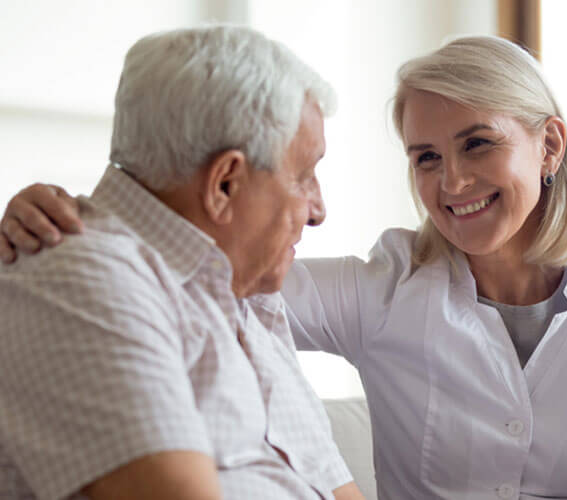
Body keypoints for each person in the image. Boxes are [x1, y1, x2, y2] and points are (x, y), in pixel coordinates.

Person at [1, 36, 567, 500]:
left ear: (548, 146)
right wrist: (64, 217)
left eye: (478, 144)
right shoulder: (356, 289)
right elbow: (178, 257)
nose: (451, 182)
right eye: (425, 157)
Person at [0, 26, 364, 500]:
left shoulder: (248, 296)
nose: (317, 211)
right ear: (225, 184)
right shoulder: (76, 278)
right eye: (304, 176)